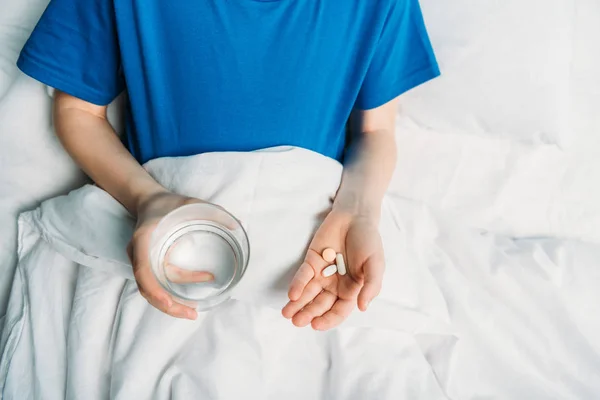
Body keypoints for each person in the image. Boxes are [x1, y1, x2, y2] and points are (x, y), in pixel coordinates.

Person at [17, 0, 439, 331]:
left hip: (318, 263)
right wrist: (149, 199)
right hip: (165, 248)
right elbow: (78, 112)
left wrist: (357, 212)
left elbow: (375, 133)